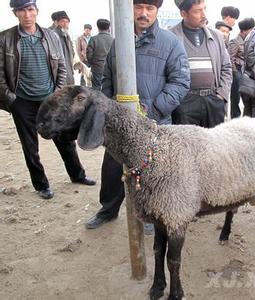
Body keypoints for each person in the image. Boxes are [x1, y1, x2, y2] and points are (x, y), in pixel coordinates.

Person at [85, 0, 190, 230]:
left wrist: (150, 109)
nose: (143, 13)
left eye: (150, 8)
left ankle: (153, 215)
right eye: (138, 7)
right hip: (118, 126)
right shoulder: (118, 43)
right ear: (130, 8)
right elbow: (106, 80)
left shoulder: (171, 43)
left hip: (154, 124)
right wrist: (111, 110)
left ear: (157, 11)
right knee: (112, 171)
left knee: (152, 174)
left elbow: (180, 82)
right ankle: (108, 210)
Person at [0, 0, 95, 200]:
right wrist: (12, 100)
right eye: (22, 11)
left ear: (36, 11)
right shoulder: (5, 38)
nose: (27, 15)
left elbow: (61, 65)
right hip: (22, 102)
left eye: (30, 10)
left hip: (50, 101)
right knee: (30, 146)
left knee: (65, 140)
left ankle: (78, 175)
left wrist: (57, 94)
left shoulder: (50, 36)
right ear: (15, 13)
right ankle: (41, 185)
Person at [170, 0, 232, 128]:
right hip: (185, 102)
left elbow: (226, 67)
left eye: (204, 9)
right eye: (198, 11)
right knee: (187, 144)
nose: (204, 15)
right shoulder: (171, 36)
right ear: (183, 13)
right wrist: (177, 101)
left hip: (213, 100)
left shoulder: (216, 36)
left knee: (214, 145)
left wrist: (221, 95)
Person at [228, 18, 255, 119]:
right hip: (238, 72)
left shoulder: (249, 41)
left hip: (246, 73)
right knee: (235, 98)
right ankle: (235, 117)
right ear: (243, 31)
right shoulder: (235, 41)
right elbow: (230, 58)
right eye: (250, 30)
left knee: (247, 96)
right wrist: (235, 72)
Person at [86, 19, 113, 90]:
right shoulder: (113, 40)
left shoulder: (93, 39)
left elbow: (89, 54)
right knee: (108, 88)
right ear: (108, 28)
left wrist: (90, 64)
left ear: (98, 28)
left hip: (97, 67)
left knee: (96, 88)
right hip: (110, 69)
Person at [53, 11, 75, 85]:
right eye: (63, 22)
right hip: (60, 72)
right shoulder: (54, 35)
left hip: (69, 70)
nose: (65, 24)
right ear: (57, 22)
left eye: (67, 22)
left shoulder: (66, 35)